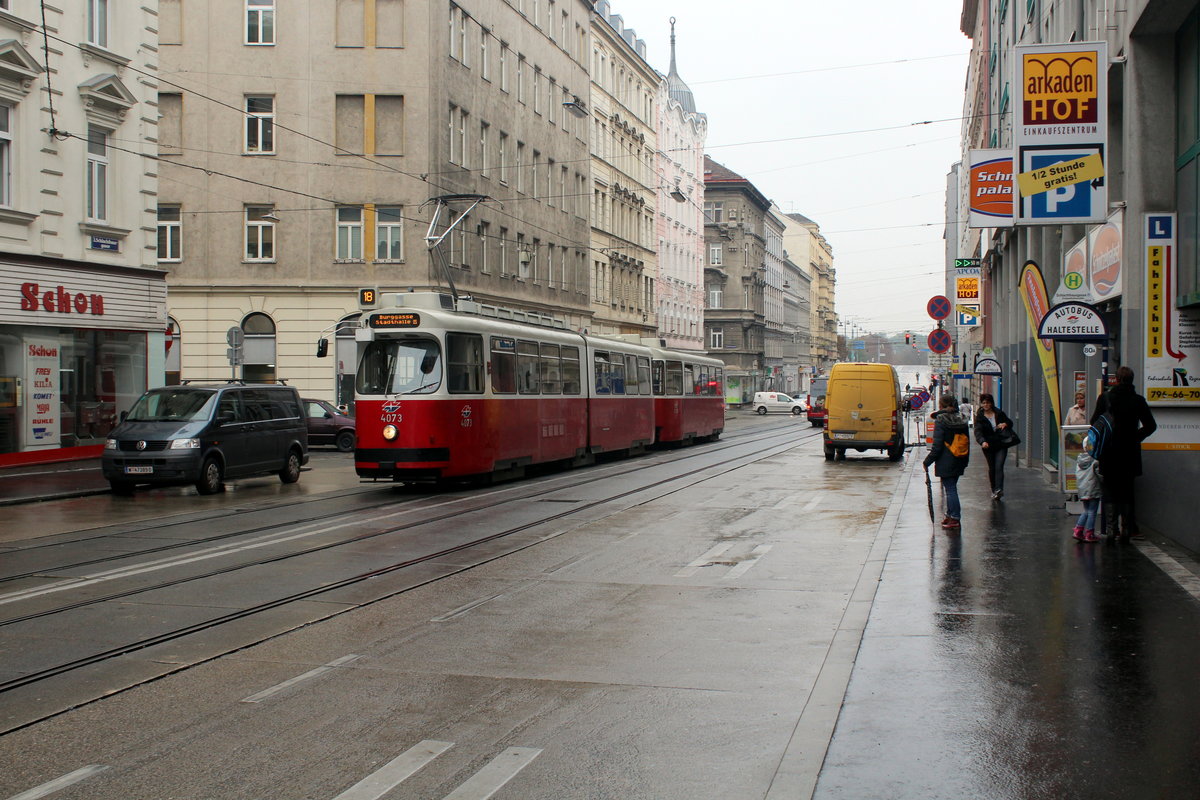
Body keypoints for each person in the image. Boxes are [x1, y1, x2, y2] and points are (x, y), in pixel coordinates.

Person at [1091, 366, 1157, 542]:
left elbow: (1094, 422)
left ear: (1116, 380)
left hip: (1109, 452)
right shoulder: (1138, 400)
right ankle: (1127, 530)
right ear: (1132, 380)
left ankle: (1111, 530)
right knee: (1127, 491)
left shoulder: (1105, 398)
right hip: (1129, 452)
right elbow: (1151, 426)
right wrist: (1135, 437)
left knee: (1110, 490)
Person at [924, 393, 971, 530]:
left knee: (950, 489)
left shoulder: (941, 419)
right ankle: (951, 514)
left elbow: (937, 445)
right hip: (960, 456)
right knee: (951, 487)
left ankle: (955, 517)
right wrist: (965, 459)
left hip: (946, 458)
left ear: (941, 405)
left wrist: (927, 461)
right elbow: (966, 441)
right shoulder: (961, 418)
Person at [974, 393, 1014, 500]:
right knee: (992, 468)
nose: (986, 405)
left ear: (991, 403)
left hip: (1001, 443)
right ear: (981, 404)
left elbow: (1010, 422)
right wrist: (982, 442)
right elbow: (978, 432)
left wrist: (1005, 424)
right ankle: (994, 489)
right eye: (984, 403)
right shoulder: (980, 417)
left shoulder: (999, 413)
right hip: (988, 446)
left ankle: (999, 489)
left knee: (999, 466)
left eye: (988, 402)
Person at [1073, 437, 1102, 542]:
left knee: (1086, 510)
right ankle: (1089, 533)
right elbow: (1100, 474)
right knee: (1092, 512)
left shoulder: (1079, 460)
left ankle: (1078, 529)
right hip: (1093, 489)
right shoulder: (1095, 460)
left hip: (1083, 489)